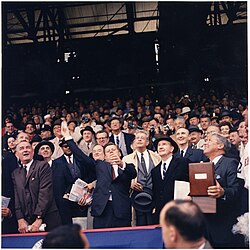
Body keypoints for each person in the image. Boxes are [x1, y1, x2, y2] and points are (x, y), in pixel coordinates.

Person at [11, 140, 61, 233]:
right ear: (17, 154)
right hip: (27, 222)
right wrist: (20, 218)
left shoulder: (42, 166)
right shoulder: (16, 173)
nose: (25, 150)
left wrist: (39, 218)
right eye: (21, 148)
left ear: (33, 152)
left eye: (28, 148)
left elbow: (45, 192)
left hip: (48, 218)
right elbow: (17, 197)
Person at [203, 133, 240, 248]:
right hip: (205, 224)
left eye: (209, 140)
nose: (205, 143)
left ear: (220, 146)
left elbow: (237, 190)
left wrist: (223, 192)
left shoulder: (230, 163)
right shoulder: (203, 165)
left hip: (222, 223)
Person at [123, 130, 161, 226]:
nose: (139, 139)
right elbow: (122, 179)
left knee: (154, 224)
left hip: (153, 196)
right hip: (136, 198)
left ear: (147, 142)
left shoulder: (157, 157)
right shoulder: (126, 159)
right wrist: (130, 184)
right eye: (137, 138)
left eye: (142, 138)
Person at [151, 136, 189, 224]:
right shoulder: (155, 170)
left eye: (164, 144)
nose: (160, 147)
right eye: (159, 145)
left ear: (172, 148)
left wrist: (190, 196)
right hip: (162, 212)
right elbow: (156, 191)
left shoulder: (182, 162)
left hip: (181, 209)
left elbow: (193, 180)